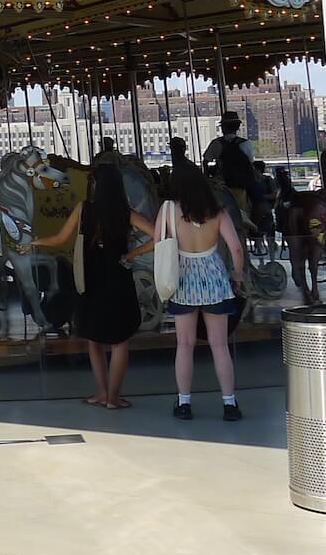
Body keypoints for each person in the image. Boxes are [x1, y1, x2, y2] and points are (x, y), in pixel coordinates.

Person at [33, 162, 154, 410]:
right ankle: (113, 398)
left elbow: (59, 239)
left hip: (90, 279)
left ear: (96, 185)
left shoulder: (83, 209)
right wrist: (133, 254)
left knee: (93, 338)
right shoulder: (126, 212)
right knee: (120, 341)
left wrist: (34, 243)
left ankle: (100, 392)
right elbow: (159, 235)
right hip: (118, 279)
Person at [159, 156, 248, 421]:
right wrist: (238, 274)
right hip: (214, 277)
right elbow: (236, 248)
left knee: (185, 344)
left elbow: (158, 242)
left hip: (183, 278)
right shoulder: (218, 212)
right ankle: (229, 403)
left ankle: (184, 402)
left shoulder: (169, 210)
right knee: (219, 345)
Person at [203, 112, 257, 200]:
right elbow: (250, 162)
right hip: (241, 184)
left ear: (223, 127)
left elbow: (205, 161)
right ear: (237, 127)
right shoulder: (245, 143)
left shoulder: (216, 143)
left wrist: (207, 178)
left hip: (221, 184)